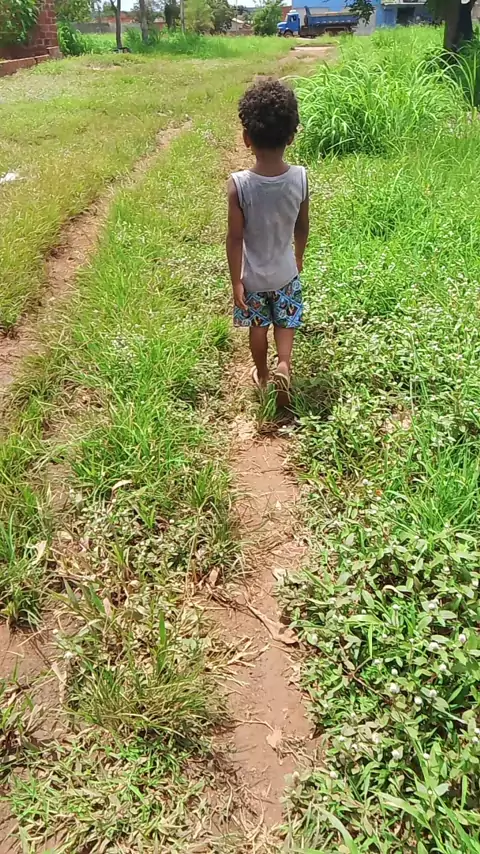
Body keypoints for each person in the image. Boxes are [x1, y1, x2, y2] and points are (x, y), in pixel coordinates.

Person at [226, 78, 309, 398]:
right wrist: (298, 256)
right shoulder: (300, 178)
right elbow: (302, 226)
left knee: (258, 328)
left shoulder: (239, 185)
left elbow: (235, 238)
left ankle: (262, 374)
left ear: (246, 138)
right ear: (291, 137)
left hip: (253, 278)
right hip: (286, 272)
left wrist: (236, 280)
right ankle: (284, 364)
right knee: (285, 322)